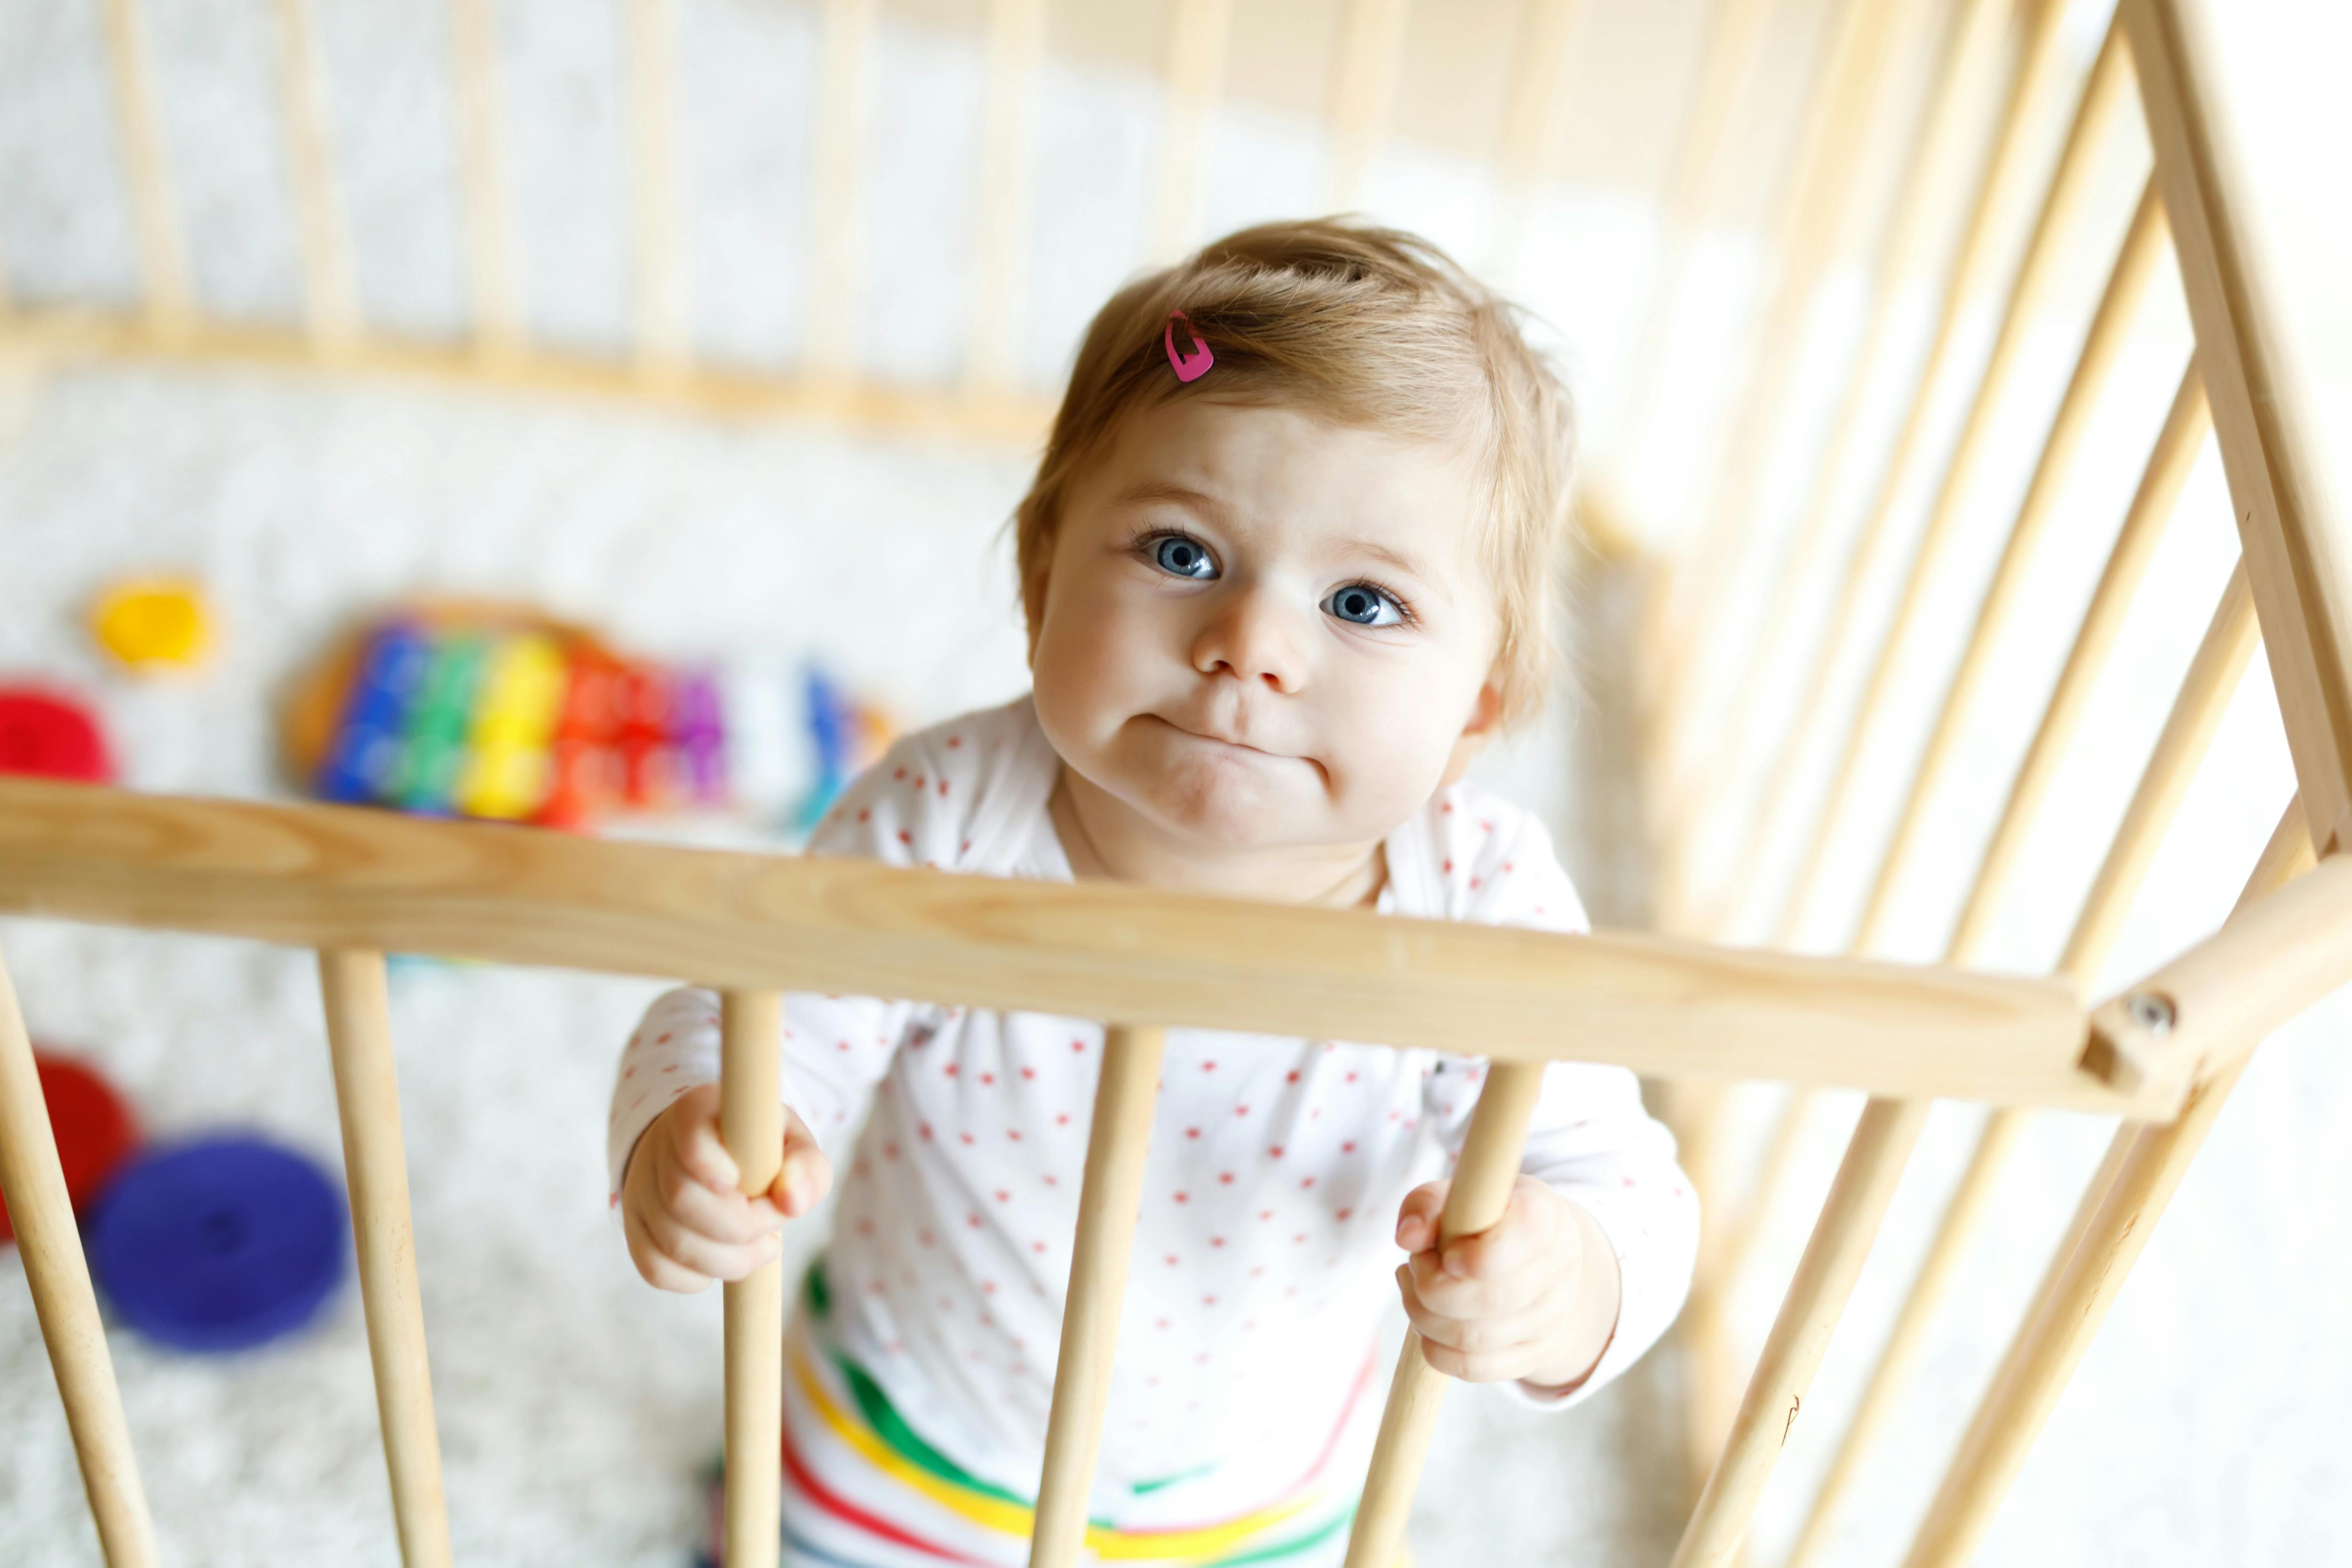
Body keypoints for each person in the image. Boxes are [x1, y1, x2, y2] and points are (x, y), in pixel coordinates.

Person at [608, 219, 1700, 1567]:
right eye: (1182, 553)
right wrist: (698, 1132)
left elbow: (1621, 1181)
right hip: (902, 1441)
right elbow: (753, 1011)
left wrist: (1568, 1274)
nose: (1249, 647)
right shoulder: (952, 812)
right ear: (1039, 575)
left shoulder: (1474, 900)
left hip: (1265, 1498)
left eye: (1363, 604)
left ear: (1478, 704)